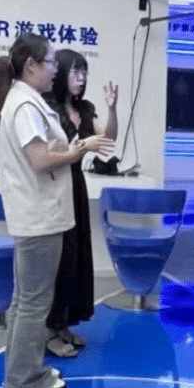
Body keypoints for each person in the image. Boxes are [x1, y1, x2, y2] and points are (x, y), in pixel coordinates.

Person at [0, 34, 112, 388]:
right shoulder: (25, 105)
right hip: (39, 217)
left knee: (26, 300)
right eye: (51, 62)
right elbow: (40, 160)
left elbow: (42, 152)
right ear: (31, 66)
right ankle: (25, 378)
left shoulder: (25, 101)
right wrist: (79, 148)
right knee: (34, 302)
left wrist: (71, 147)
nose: (56, 69)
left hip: (36, 215)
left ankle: (20, 369)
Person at [43, 48, 118, 357]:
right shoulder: (47, 108)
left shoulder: (84, 110)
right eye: (75, 72)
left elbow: (107, 140)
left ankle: (64, 324)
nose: (81, 78)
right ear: (60, 73)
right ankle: (48, 332)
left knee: (76, 258)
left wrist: (112, 109)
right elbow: (47, 153)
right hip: (54, 185)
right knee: (57, 261)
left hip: (75, 185)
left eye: (84, 72)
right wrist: (77, 148)